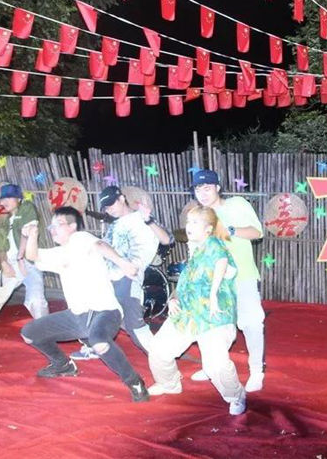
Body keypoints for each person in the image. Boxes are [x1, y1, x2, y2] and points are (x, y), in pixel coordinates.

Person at [20, 206, 149, 402]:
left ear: (73, 226)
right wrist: (31, 234)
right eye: (51, 226)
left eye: (58, 224)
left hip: (105, 312)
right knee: (29, 333)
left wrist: (122, 262)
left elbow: (100, 245)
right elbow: (32, 256)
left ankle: (134, 381)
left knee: (99, 342)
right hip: (77, 316)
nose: (53, 229)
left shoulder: (80, 239)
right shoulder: (58, 254)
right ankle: (62, 364)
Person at [147, 206, 246, 416]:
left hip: (213, 316)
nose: (188, 226)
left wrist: (213, 295)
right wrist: (173, 299)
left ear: (208, 229)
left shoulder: (215, 245)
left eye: (194, 222)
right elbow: (184, 283)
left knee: (215, 365)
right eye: (188, 221)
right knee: (158, 350)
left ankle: (236, 396)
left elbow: (221, 262)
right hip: (188, 313)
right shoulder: (195, 251)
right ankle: (170, 384)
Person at [191, 169, 266, 392]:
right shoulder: (198, 215)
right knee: (212, 325)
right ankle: (211, 366)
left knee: (252, 322)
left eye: (207, 188)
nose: (203, 194)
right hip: (214, 280)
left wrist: (229, 230)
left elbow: (257, 232)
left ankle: (256, 371)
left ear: (218, 187)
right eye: (198, 189)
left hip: (242, 275)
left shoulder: (237, 204)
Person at [71, 186, 159, 361]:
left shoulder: (141, 219)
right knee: (92, 312)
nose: (109, 209)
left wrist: (134, 266)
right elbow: (106, 248)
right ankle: (94, 345)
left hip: (128, 278)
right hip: (109, 278)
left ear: (121, 199)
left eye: (111, 204)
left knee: (134, 324)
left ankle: (160, 356)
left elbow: (158, 242)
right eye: (106, 207)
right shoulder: (115, 225)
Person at [0, 184, 49, 332]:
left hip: (29, 261)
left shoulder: (27, 208)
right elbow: (2, 247)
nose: (4, 202)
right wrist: (4, 263)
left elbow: (28, 232)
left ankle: (45, 329)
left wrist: (20, 257)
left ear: (18, 198)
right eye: (2, 199)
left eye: (9, 198)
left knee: (36, 298)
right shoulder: (5, 223)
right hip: (12, 264)